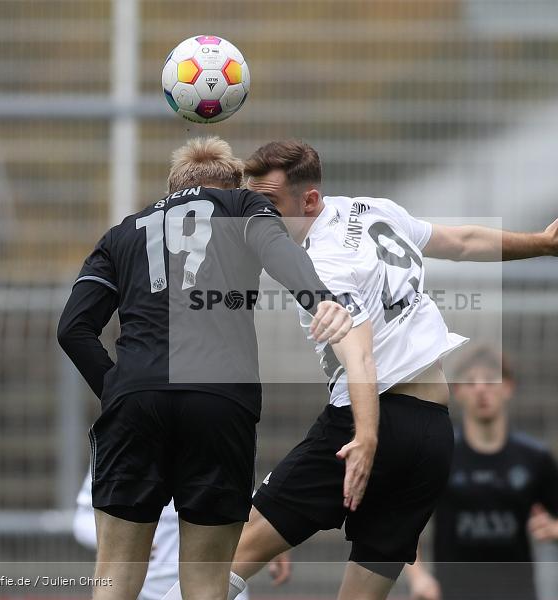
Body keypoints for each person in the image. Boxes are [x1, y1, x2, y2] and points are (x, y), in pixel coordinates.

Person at [160, 139, 558, 600]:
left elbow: (362, 355)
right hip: (433, 436)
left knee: (222, 564)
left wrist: (366, 437)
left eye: (270, 205)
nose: (258, 218)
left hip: (366, 424)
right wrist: (542, 243)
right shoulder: (372, 209)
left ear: (310, 200)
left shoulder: (320, 263)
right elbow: (461, 242)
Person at [56, 136, 353, 600]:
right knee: (206, 585)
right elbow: (280, 252)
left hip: (136, 399)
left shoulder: (122, 232)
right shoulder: (243, 206)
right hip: (218, 400)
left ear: (172, 186)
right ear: (233, 185)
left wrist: (116, 389)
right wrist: (321, 300)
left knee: (114, 578)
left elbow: (73, 329)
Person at [406, 345, 558, 600]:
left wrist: (555, 529)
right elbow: (404, 523)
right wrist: (419, 577)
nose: (481, 389)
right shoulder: (440, 456)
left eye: (490, 380)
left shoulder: (534, 457)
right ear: (457, 390)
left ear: (508, 387)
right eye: (471, 382)